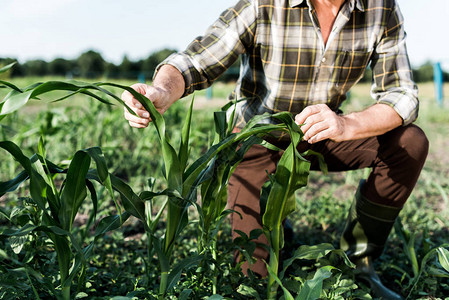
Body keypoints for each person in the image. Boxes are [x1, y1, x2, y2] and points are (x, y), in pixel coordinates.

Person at [122, 0, 429, 298]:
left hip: (321, 131)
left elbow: (402, 94)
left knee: (409, 142)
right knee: (254, 279)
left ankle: (359, 263)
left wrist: (346, 124)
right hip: (258, 138)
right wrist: (161, 91)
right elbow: (194, 61)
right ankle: (277, 223)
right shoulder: (263, 3)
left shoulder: (381, 7)